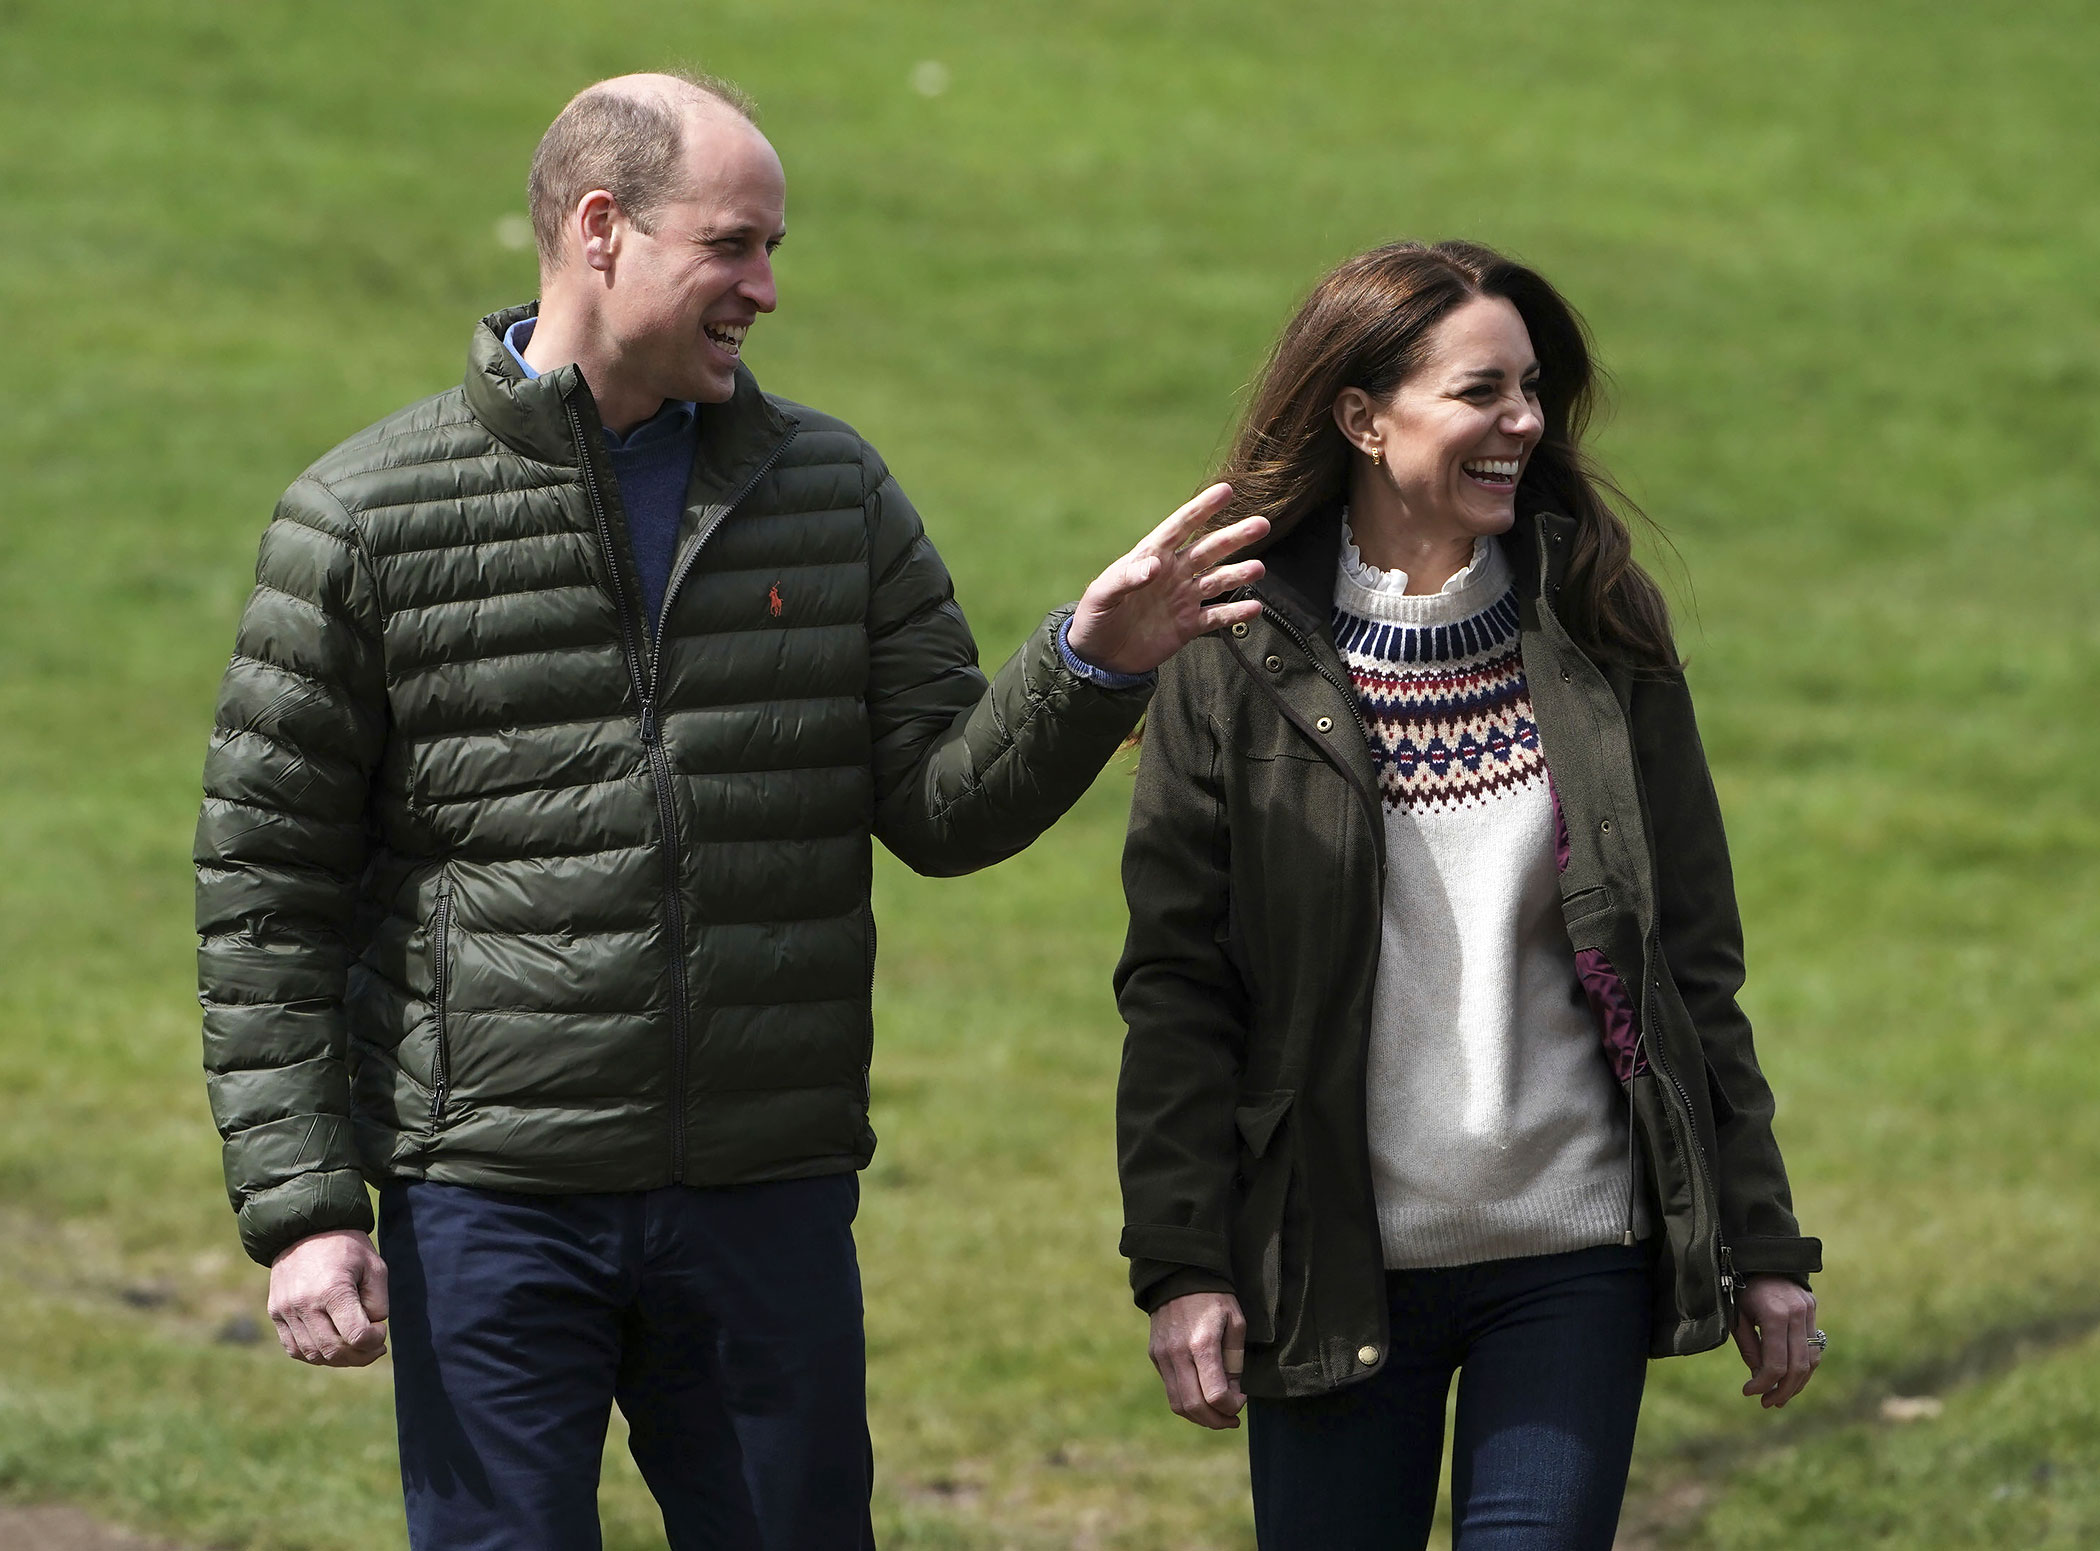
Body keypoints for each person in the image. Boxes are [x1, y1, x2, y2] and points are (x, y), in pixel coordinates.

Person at [195, 70, 1267, 1549]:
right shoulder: (366, 517)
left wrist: (1089, 664)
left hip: (766, 1196)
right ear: (600, 229)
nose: (765, 287)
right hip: (495, 1197)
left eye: (773, 250)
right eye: (733, 245)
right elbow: (266, 891)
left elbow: (943, 808)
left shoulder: (830, 493)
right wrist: (308, 1207)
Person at [1113, 240, 1824, 1549]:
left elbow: (1692, 963)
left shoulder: (1600, 621)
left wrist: (1765, 1243)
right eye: (1482, 392)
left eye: (1533, 392)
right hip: (1331, 1259)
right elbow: (1179, 985)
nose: (1525, 425)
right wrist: (1184, 1264)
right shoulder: (1234, 651)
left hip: (1570, 1257)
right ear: (1363, 419)